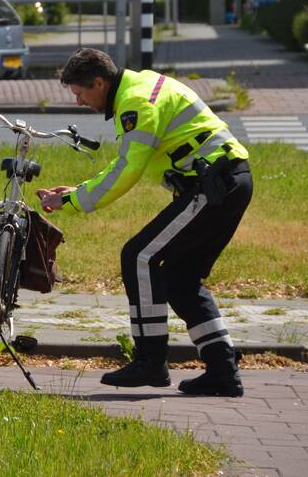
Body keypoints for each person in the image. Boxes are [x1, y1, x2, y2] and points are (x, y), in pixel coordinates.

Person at [36, 48, 252, 397]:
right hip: (223, 183)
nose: (79, 102)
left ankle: (150, 361)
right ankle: (222, 371)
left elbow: (128, 169)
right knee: (180, 279)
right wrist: (78, 191)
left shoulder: (135, 102)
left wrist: (71, 201)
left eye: (80, 93)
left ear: (99, 83)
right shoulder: (140, 86)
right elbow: (126, 161)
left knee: (138, 255)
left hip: (212, 186)